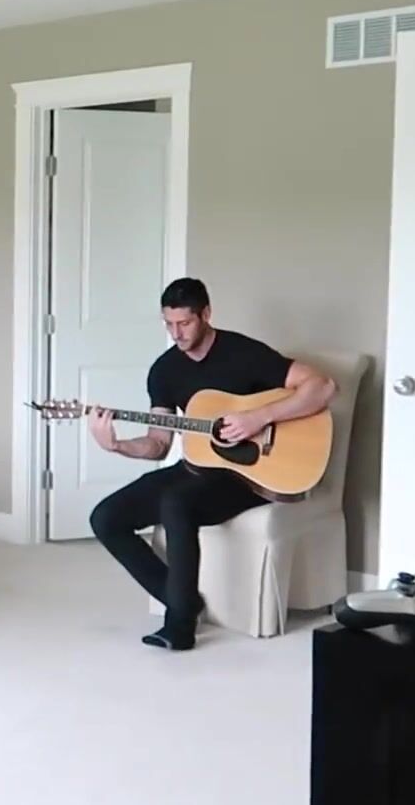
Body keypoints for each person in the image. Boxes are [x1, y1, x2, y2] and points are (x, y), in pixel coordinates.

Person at [87, 277, 337, 651]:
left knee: (177, 502)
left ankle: (179, 626)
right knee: (106, 518)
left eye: (184, 323)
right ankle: (182, 600)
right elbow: (158, 444)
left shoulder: (243, 352)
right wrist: (117, 445)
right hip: (199, 467)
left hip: (250, 474)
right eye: (169, 324)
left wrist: (259, 417)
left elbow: (324, 387)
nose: (176, 333)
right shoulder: (164, 370)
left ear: (206, 314)